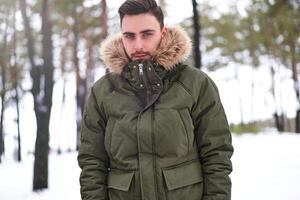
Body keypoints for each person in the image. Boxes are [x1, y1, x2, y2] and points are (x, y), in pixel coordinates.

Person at [77, 0, 233, 199]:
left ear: (163, 33)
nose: (138, 45)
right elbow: (92, 162)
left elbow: (217, 155)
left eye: (147, 34)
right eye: (129, 36)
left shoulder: (195, 84)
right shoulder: (103, 92)